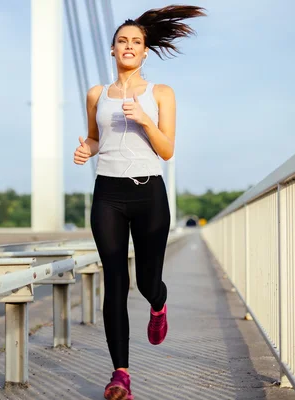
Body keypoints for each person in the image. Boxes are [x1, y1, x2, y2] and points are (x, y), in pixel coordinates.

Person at [73, 5, 205, 400]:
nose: (129, 46)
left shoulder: (161, 93)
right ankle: (121, 376)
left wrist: (145, 120)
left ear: (145, 52)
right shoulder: (97, 94)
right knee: (115, 282)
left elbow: (166, 150)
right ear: (112, 50)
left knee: (147, 281)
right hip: (108, 194)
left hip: (149, 193)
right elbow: (96, 138)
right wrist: (86, 150)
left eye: (136, 42)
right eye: (122, 41)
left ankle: (159, 304)